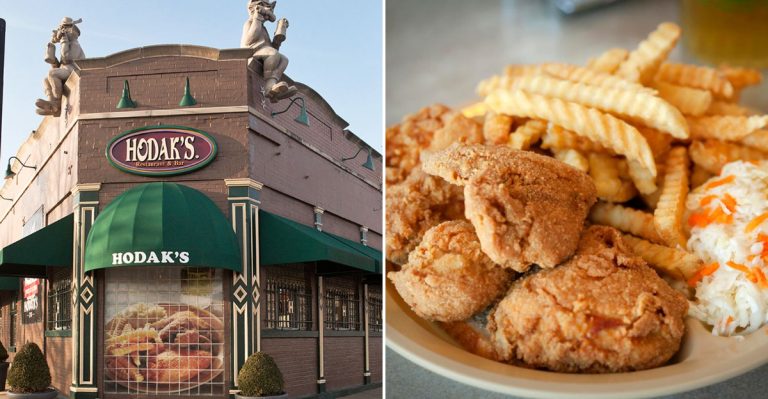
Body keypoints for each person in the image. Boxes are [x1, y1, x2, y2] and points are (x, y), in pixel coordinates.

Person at [241, 0, 297, 102]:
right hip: (251, 51)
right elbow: (249, 41)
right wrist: (257, 19)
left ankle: (274, 93)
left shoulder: (264, 29)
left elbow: (271, 50)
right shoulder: (249, 23)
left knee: (284, 59)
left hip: (263, 52)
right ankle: (269, 87)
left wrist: (278, 40)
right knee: (273, 53)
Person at [36, 17, 85, 116]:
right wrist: (52, 59)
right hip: (66, 69)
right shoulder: (67, 43)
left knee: (52, 74)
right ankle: (51, 103)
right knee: (46, 79)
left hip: (74, 70)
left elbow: (66, 59)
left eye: (65, 29)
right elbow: (60, 65)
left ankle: (56, 103)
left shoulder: (75, 44)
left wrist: (64, 41)